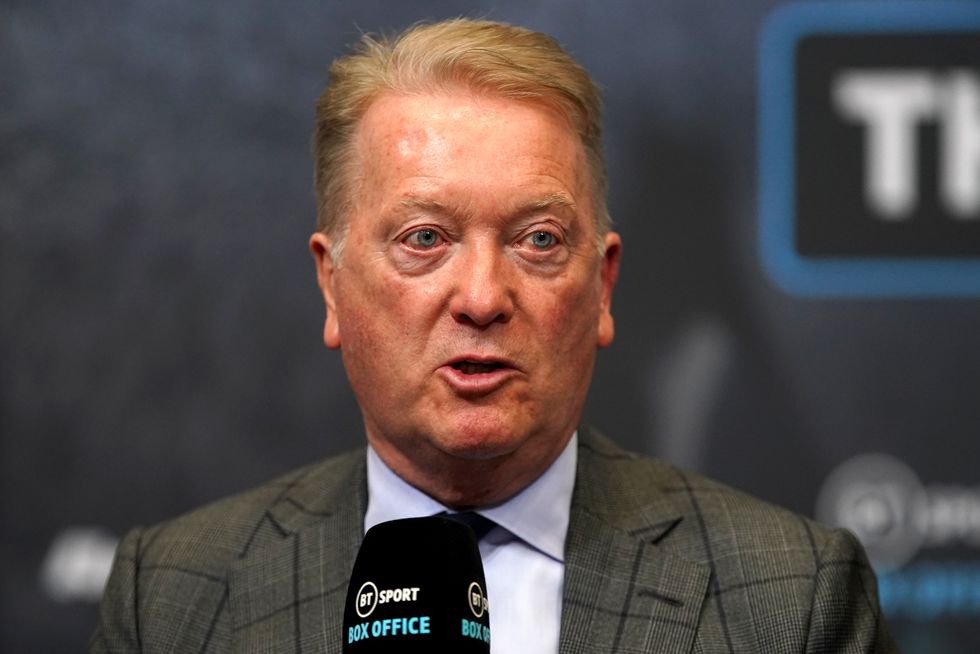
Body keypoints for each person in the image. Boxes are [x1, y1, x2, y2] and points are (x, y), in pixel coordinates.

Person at [91, 18, 896, 653]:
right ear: (332, 284)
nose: (481, 298)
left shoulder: (797, 600)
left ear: (603, 285)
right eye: (425, 239)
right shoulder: (170, 597)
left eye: (537, 240)